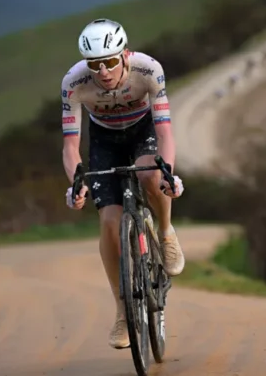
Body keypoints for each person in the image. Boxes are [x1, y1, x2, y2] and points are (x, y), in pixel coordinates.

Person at [61, 18, 186, 350]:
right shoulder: (73, 82)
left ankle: (165, 231)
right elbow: (71, 146)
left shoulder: (148, 70)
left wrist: (168, 173)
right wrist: (76, 182)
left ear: (125, 55)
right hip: (104, 141)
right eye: (94, 64)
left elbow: (164, 133)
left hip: (143, 130)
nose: (102, 71)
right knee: (110, 223)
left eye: (110, 62)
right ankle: (122, 310)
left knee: (149, 173)